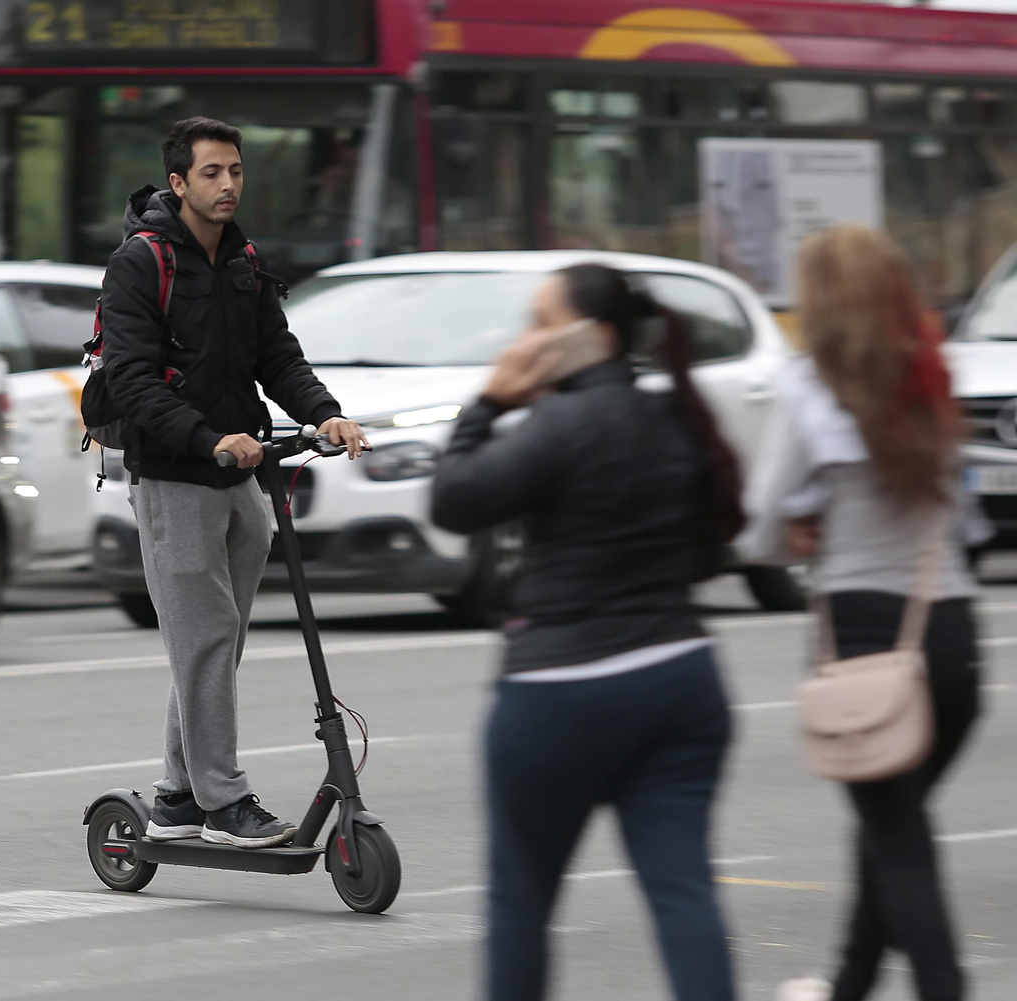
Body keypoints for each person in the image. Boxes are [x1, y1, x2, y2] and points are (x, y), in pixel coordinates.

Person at [431, 263, 744, 1001]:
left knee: (520, 901)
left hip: (560, 689)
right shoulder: (675, 417)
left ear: (594, 335)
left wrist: (486, 404)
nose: (525, 340)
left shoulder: (558, 426)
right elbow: (709, 550)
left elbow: (455, 499)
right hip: (681, 677)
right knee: (683, 891)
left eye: (541, 322)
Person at [99, 117, 368, 849]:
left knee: (213, 643)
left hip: (241, 477)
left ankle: (179, 793)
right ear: (178, 182)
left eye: (236, 171)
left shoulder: (243, 258)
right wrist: (209, 437)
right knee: (208, 638)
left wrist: (325, 413)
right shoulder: (140, 263)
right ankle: (223, 801)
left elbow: (277, 355)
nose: (228, 185)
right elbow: (131, 379)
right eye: (212, 173)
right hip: (174, 476)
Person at [738, 226, 981, 1001]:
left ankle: (943, 986)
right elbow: (964, 516)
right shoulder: (933, 375)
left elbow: (761, 516)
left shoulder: (812, 384)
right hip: (953, 631)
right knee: (890, 823)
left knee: (897, 835)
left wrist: (797, 527)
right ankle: (849, 982)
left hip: (865, 634)